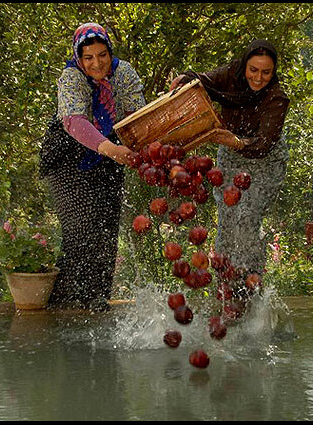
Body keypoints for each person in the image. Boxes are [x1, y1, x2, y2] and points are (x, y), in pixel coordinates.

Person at [170, 39, 290, 303]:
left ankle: (251, 283)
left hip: (265, 161)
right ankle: (227, 285)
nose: (258, 78)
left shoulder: (276, 98)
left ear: (273, 73)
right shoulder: (231, 74)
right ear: (244, 66)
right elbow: (204, 81)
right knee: (228, 218)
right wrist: (184, 79)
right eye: (253, 70)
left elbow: (263, 144)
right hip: (231, 156)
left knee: (247, 216)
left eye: (266, 72)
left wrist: (231, 140)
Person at [40, 23, 145, 311]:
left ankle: (96, 301)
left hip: (110, 154)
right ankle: (65, 304)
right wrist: (110, 149)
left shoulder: (124, 74)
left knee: (107, 228)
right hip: (68, 155)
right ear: (78, 57)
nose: (96, 63)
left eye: (102, 55)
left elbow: (138, 114)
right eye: (88, 57)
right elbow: (75, 121)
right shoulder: (70, 78)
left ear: (110, 52)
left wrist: (142, 148)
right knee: (81, 227)